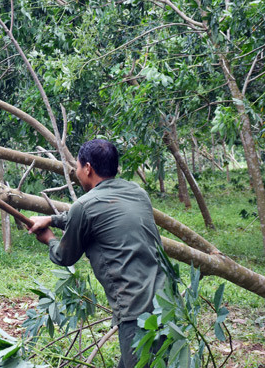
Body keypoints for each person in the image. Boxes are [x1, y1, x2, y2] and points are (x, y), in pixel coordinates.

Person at [28, 139, 165, 368]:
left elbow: (65, 256)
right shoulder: (137, 193)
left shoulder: (85, 205)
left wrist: (49, 239)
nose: (77, 173)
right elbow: (93, 218)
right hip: (166, 300)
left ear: (88, 168)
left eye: (78, 168)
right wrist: (51, 219)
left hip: (135, 309)